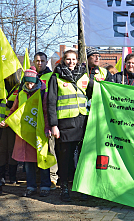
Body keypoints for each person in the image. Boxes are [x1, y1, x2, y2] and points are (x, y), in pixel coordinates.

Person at [47, 50, 93, 202]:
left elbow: (96, 92)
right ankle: (64, 188)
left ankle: (82, 188)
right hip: (65, 124)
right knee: (65, 158)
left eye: (74, 59)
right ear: (63, 60)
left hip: (83, 123)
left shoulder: (84, 76)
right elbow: (51, 103)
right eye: (68, 59)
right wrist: (54, 125)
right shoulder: (56, 77)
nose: (71, 62)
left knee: (82, 158)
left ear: (78, 61)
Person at [0, 67, 51, 197]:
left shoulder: (42, 93)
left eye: (32, 82)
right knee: (28, 162)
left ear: (36, 81)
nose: (30, 85)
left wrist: (47, 128)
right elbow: (14, 110)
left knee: (42, 157)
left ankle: (45, 185)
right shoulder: (21, 93)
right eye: (27, 83)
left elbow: (46, 112)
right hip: (25, 133)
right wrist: (6, 121)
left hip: (39, 131)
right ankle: (31, 186)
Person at [33, 52, 58, 190]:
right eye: (37, 60)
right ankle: (39, 175)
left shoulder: (51, 77)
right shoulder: (31, 76)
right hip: (33, 118)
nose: (40, 63)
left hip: (47, 118)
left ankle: (52, 177)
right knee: (37, 148)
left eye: (42, 60)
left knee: (50, 149)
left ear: (46, 61)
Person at [0, 73, 20, 185]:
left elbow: (20, 104)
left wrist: (9, 103)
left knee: (12, 149)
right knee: (1, 150)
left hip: (12, 122)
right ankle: (1, 176)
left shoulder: (19, 87)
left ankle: (12, 176)